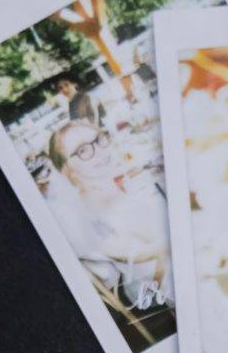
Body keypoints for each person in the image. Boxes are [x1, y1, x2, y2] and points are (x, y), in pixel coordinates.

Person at [44, 119, 170, 312]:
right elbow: (157, 258)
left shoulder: (111, 187)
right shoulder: (87, 222)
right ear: (66, 170)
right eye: (83, 151)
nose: (99, 151)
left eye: (99, 139)